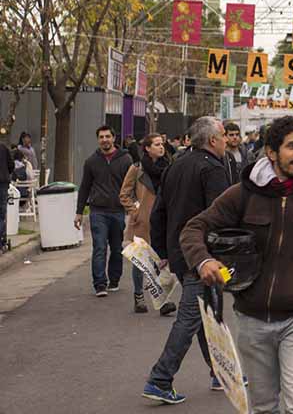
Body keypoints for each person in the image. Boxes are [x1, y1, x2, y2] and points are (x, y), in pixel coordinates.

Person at [181, 116, 293, 414]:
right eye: (292, 146)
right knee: (263, 407)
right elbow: (193, 229)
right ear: (272, 152)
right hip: (252, 319)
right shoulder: (242, 195)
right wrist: (203, 260)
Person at [142, 117, 230, 404]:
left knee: (210, 314)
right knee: (192, 317)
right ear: (213, 140)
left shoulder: (174, 165)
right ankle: (160, 379)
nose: (227, 141)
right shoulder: (213, 169)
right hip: (203, 256)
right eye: (224, 136)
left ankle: (220, 373)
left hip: (179, 253)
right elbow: (221, 217)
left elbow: (159, 213)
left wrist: (163, 251)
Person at [119, 134, 177, 316]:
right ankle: (139, 297)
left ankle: (162, 301)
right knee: (141, 262)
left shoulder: (169, 168)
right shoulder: (137, 169)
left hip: (162, 221)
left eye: (162, 144)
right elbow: (124, 194)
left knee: (160, 262)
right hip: (142, 222)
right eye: (157, 144)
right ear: (147, 148)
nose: (161, 147)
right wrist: (134, 210)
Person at [74, 125, 133, 296]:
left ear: (114, 138)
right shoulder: (91, 161)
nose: (105, 140)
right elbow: (84, 187)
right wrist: (79, 212)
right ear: (98, 140)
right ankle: (100, 284)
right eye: (101, 137)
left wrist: (134, 207)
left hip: (118, 211)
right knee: (99, 247)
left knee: (116, 248)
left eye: (108, 136)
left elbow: (131, 186)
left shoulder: (126, 159)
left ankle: (114, 280)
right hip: (97, 211)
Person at [0, 143, 13, 253]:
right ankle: (1, 241)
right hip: (3, 183)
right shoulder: (4, 147)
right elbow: (11, 165)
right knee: (1, 213)